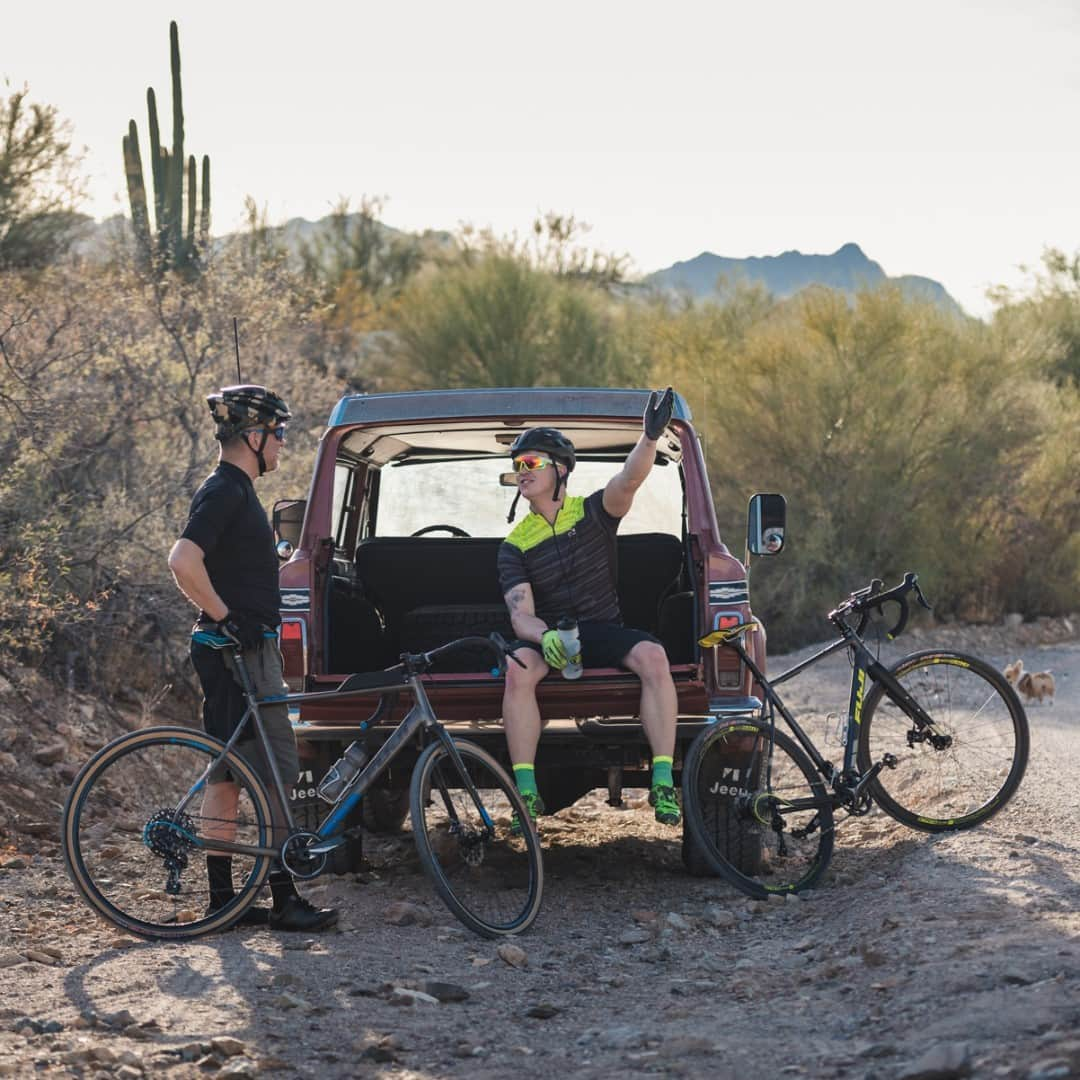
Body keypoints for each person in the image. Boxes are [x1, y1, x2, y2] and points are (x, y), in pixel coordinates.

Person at [167, 384, 338, 932]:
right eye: (279, 434)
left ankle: (224, 903)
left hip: (230, 652)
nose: (283, 445)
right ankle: (286, 899)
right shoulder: (226, 492)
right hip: (237, 652)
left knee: (229, 775)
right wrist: (226, 616)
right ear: (254, 436)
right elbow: (182, 560)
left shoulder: (234, 491)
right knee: (273, 778)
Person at [497, 388, 681, 832]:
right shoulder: (514, 544)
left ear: (560, 470)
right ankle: (526, 791)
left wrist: (650, 438)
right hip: (553, 637)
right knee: (518, 667)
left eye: (531, 464)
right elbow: (521, 616)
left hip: (601, 630)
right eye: (517, 465)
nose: (522, 471)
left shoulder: (593, 511)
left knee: (654, 657)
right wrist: (546, 639)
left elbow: (629, 480)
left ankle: (661, 779)